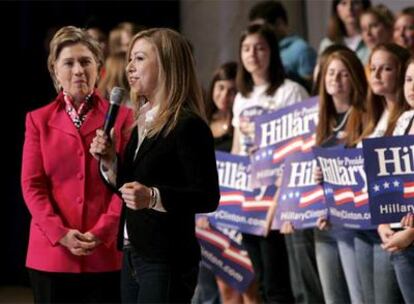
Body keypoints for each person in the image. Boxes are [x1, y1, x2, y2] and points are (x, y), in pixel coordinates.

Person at [90, 27, 220, 303]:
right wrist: (110, 161)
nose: (130, 68)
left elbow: (208, 196)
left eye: (139, 59)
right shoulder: (140, 125)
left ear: (166, 64)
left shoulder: (187, 125)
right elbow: (128, 189)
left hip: (166, 256)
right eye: (129, 60)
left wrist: (153, 197)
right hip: (133, 251)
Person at [21, 25, 133, 303]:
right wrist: (60, 234)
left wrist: (103, 231)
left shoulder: (124, 118)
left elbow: (129, 183)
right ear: (55, 71)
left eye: (85, 62)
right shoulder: (37, 120)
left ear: (99, 68)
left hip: (106, 253)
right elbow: (32, 185)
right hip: (51, 254)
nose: (78, 70)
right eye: (68, 63)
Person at [232, 23, 308, 303]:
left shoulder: (291, 91)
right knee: (261, 282)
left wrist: (281, 196)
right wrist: (236, 194)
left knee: (280, 283)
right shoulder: (242, 97)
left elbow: (301, 148)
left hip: (282, 195)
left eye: (260, 47)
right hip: (251, 196)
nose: (253, 54)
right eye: (247, 48)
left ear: (272, 52)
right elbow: (239, 147)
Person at [354, 43, 409, 304]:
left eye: (385, 69)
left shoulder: (402, 117)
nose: (376, 75)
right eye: (372, 68)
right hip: (378, 225)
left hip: (404, 228)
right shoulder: (383, 117)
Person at [313, 48, 367, 304]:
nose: (336, 79)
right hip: (324, 224)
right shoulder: (322, 120)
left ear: (355, 78)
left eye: (344, 74)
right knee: (332, 299)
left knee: (358, 298)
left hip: (352, 226)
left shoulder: (365, 117)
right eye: (331, 73)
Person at [375, 56, 414, 303]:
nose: (412, 87)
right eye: (409, 79)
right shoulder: (403, 120)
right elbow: (389, 180)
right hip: (399, 235)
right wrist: (383, 222)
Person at [248, 0, 316, 92]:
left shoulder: (301, 50)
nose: (258, 34)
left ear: (280, 24)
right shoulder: (256, 52)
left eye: (262, 28)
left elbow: (313, 89)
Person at [319, 0, 371, 64]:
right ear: (336, 9)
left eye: (355, 2)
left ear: (364, 6)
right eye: (343, 3)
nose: (349, 8)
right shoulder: (327, 44)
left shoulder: (373, 40)